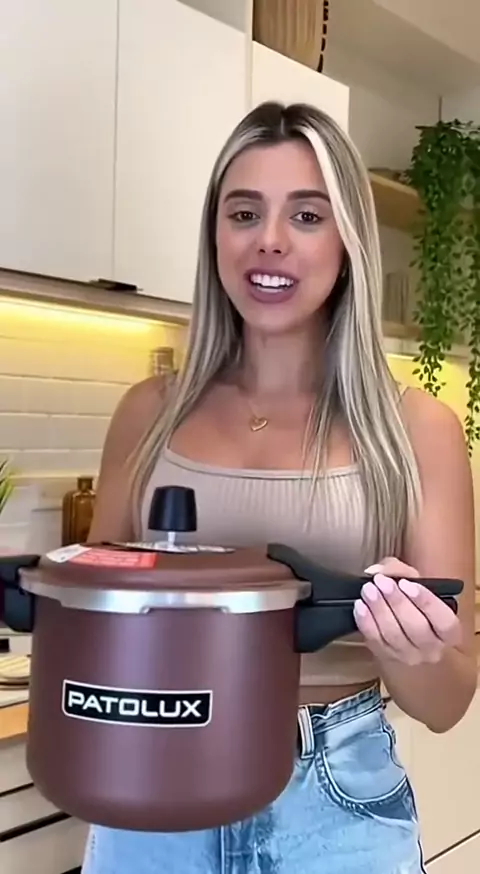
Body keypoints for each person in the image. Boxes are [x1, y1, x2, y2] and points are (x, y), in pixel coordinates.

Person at [81, 101, 477, 874]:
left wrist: (412, 649)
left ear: (347, 242)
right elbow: (94, 631)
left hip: (335, 807)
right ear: (215, 237)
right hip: (152, 787)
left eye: (306, 215)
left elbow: (449, 702)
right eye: (243, 213)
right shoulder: (147, 414)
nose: (269, 240)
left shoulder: (419, 430)